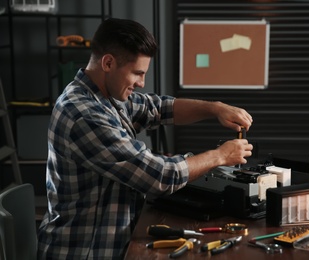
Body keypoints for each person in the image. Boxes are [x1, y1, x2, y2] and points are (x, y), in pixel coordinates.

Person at [37, 18, 253, 259]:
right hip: (84, 251)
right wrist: (221, 155)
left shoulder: (106, 97)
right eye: (137, 73)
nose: (141, 83)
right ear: (108, 62)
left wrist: (215, 108)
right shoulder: (84, 114)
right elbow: (159, 176)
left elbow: (160, 107)